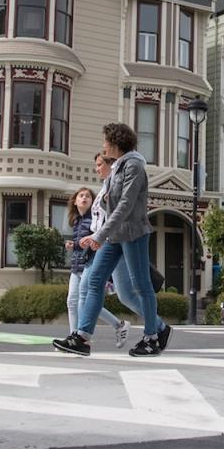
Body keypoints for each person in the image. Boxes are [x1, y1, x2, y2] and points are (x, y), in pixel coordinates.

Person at [53, 122, 170, 358]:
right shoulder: (117, 167)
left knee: (141, 286)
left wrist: (99, 235)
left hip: (133, 232)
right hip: (115, 235)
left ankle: (152, 338)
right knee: (95, 280)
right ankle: (82, 338)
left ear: (115, 143)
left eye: (106, 141)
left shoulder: (134, 165)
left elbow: (126, 205)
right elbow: (112, 202)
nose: (103, 145)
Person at [65, 184, 130, 348]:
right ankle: (74, 335)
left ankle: (79, 337)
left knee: (85, 302)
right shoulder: (76, 221)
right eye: (81, 196)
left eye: (88, 196)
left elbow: (98, 240)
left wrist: (79, 245)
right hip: (76, 265)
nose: (85, 198)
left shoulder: (93, 219)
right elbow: (81, 243)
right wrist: (74, 245)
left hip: (91, 262)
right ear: (75, 201)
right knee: (72, 302)